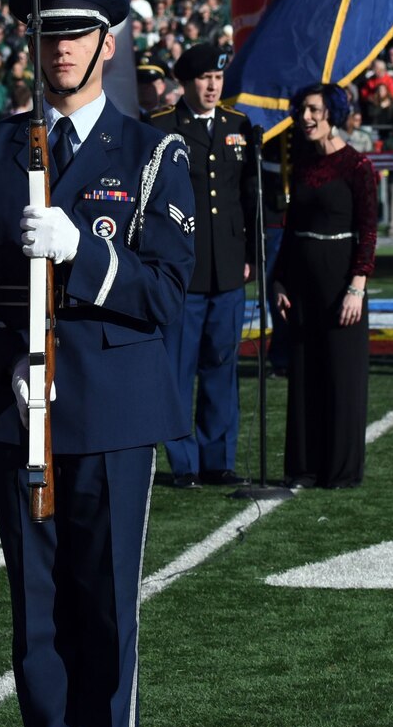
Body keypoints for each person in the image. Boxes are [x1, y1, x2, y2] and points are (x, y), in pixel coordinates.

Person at [0, 0, 193, 727]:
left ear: (108, 45)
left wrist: (87, 252)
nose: (62, 48)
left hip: (112, 404)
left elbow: (166, 292)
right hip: (21, 401)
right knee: (36, 606)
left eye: (78, 35)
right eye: (49, 35)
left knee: (106, 597)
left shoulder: (152, 152)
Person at [149, 41, 259, 488]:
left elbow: (247, 197)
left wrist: (251, 255)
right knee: (178, 368)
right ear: (185, 82)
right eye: (204, 79)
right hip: (182, 269)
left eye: (218, 78)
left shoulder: (239, 126)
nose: (213, 86)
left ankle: (219, 458)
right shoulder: (160, 126)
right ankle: (185, 462)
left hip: (229, 266)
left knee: (221, 364)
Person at [275, 83, 377, 487]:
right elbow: (291, 228)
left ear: (332, 112)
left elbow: (369, 232)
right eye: (301, 110)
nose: (306, 117)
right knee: (304, 375)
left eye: (314, 110)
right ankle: (303, 467)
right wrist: (279, 281)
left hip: (341, 284)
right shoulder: (300, 162)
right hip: (301, 283)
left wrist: (357, 287)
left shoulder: (357, 166)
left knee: (342, 377)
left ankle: (340, 470)